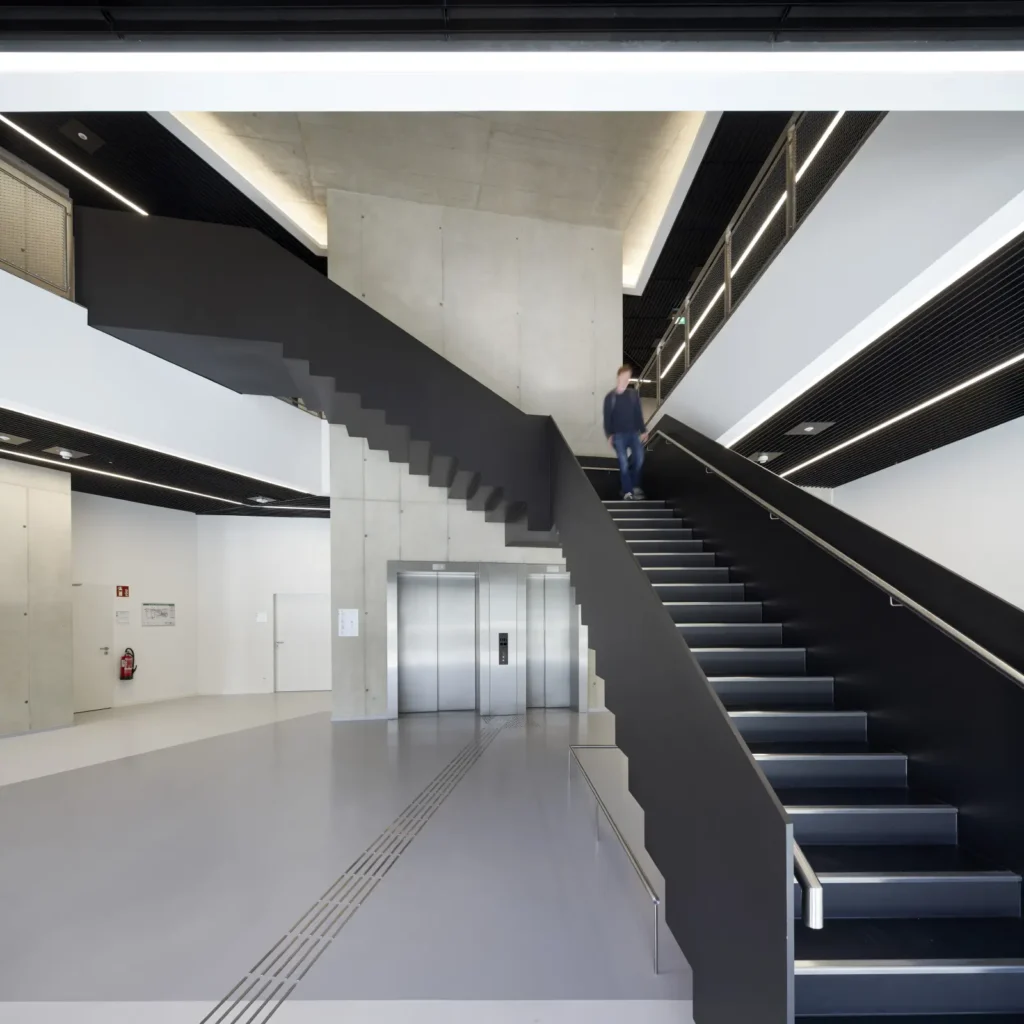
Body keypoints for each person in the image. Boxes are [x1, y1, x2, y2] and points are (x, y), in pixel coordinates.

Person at [603, 364, 648, 499]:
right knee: (623, 462)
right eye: (624, 377)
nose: (626, 380)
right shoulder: (610, 397)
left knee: (639, 458)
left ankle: (633, 486)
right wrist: (609, 435)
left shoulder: (633, 395)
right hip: (618, 436)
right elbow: (607, 418)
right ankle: (628, 491)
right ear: (618, 378)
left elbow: (638, 414)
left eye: (628, 378)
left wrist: (644, 430)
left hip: (633, 434)